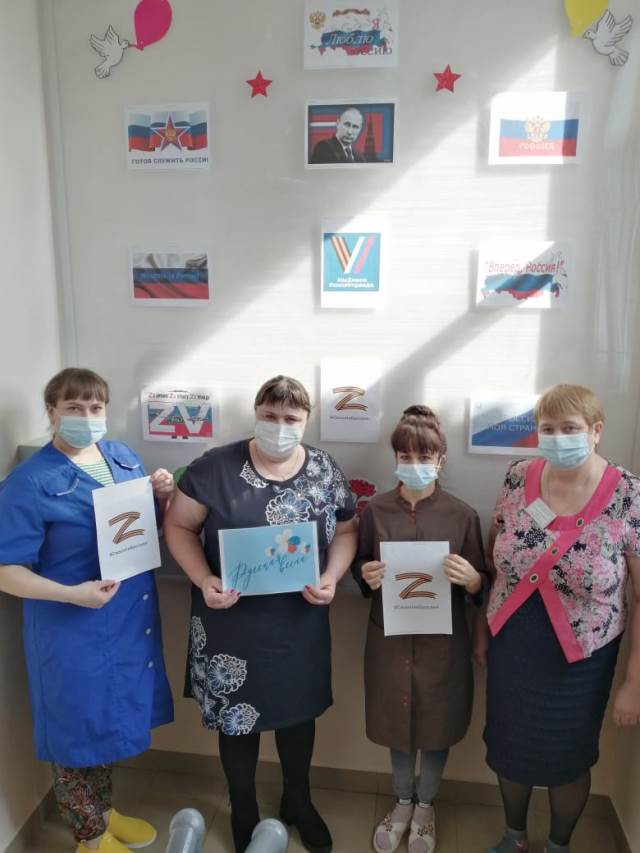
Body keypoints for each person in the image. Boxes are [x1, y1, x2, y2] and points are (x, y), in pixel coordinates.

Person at [163, 375, 357, 853]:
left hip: (299, 621)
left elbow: (347, 530)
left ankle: (298, 800)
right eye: (270, 416)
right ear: (255, 413)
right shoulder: (212, 468)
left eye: (291, 418)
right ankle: (244, 808)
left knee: (298, 716)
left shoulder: (324, 470)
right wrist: (203, 579)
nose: (279, 426)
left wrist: (332, 575)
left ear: (306, 420)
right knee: (237, 720)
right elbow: (178, 527)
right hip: (229, 621)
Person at [0, 368, 174, 853]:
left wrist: (159, 496)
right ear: (51, 412)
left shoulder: (122, 458)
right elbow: (5, 570)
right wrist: (72, 594)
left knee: (106, 722)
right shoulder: (29, 482)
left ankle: (106, 812)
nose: (86, 416)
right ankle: (90, 838)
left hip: (124, 619)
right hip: (68, 625)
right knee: (75, 729)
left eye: (95, 407)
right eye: (73, 408)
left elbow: (139, 530)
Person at [480, 384, 640, 853]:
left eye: (570, 428)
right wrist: (482, 633)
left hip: (582, 658)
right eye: (547, 429)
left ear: (596, 431)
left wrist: (634, 683)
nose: (557, 437)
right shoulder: (517, 477)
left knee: (568, 760)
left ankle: (558, 845)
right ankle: (513, 837)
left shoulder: (629, 493)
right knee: (509, 749)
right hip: (514, 645)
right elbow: (496, 558)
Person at [351, 406, 487, 853]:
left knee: (436, 724)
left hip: (442, 643)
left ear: (440, 460)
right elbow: (359, 566)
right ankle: (402, 802)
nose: (414, 464)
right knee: (397, 723)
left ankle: (426, 807)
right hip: (389, 639)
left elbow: (481, 583)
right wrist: (365, 574)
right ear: (394, 458)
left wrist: (473, 580)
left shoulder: (462, 516)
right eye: (405, 456)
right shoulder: (375, 511)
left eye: (423, 456)